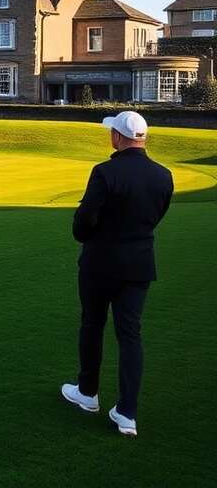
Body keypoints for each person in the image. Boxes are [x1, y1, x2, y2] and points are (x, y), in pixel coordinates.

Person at [60, 111, 173, 437]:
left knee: (92, 325)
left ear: (117, 138)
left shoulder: (105, 172)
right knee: (130, 335)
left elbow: (82, 224)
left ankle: (88, 392)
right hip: (139, 263)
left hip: (100, 262)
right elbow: (156, 216)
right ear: (143, 138)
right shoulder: (163, 175)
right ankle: (127, 413)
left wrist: (89, 233)